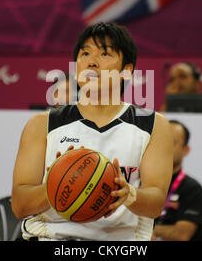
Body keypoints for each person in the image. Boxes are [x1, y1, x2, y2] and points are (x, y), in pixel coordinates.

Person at [11, 22, 174, 241]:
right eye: (85, 53)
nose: (91, 61)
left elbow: (155, 204)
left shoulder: (153, 125)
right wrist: (59, 183)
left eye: (104, 54)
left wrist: (128, 194)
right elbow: (20, 206)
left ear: (127, 71)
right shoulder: (43, 124)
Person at [153, 120, 202, 241]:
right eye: (160, 141)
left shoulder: (192, 190)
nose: (163, 147)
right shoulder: (140, 180)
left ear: (186, 150)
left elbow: (181, 235)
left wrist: (144, 230)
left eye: (171, 142)